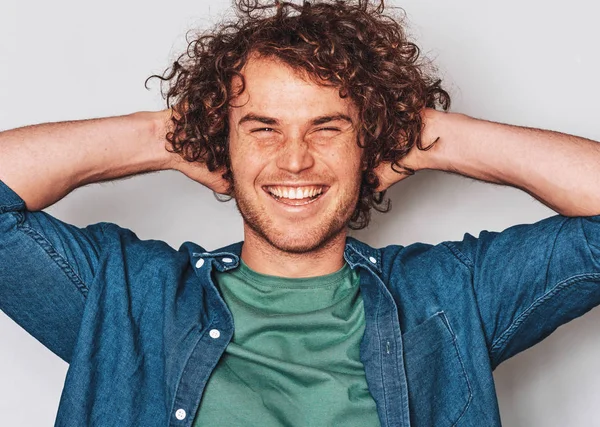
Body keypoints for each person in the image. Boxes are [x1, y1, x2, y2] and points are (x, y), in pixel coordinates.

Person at [1, 0, 599, 426]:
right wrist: (164, 135)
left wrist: (433, 136)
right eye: (261, 129)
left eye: (328, 128)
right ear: (220, 145)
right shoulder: (128, 297)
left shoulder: (451, 296)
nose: (294, 160)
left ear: (371, 144)